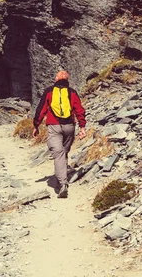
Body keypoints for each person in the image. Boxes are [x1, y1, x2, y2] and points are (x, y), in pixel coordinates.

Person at [33, 70, 86, 198]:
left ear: (56, 79)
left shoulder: (49, 91)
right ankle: (62, 175)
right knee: (63, 152)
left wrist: (36, 125)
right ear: (67, 80)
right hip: (70, 127)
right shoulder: (72, 92)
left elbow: (41, 109)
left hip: (54, 127)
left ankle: (63, 184)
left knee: (58, 153)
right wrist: (82, 127)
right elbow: (79, 110)